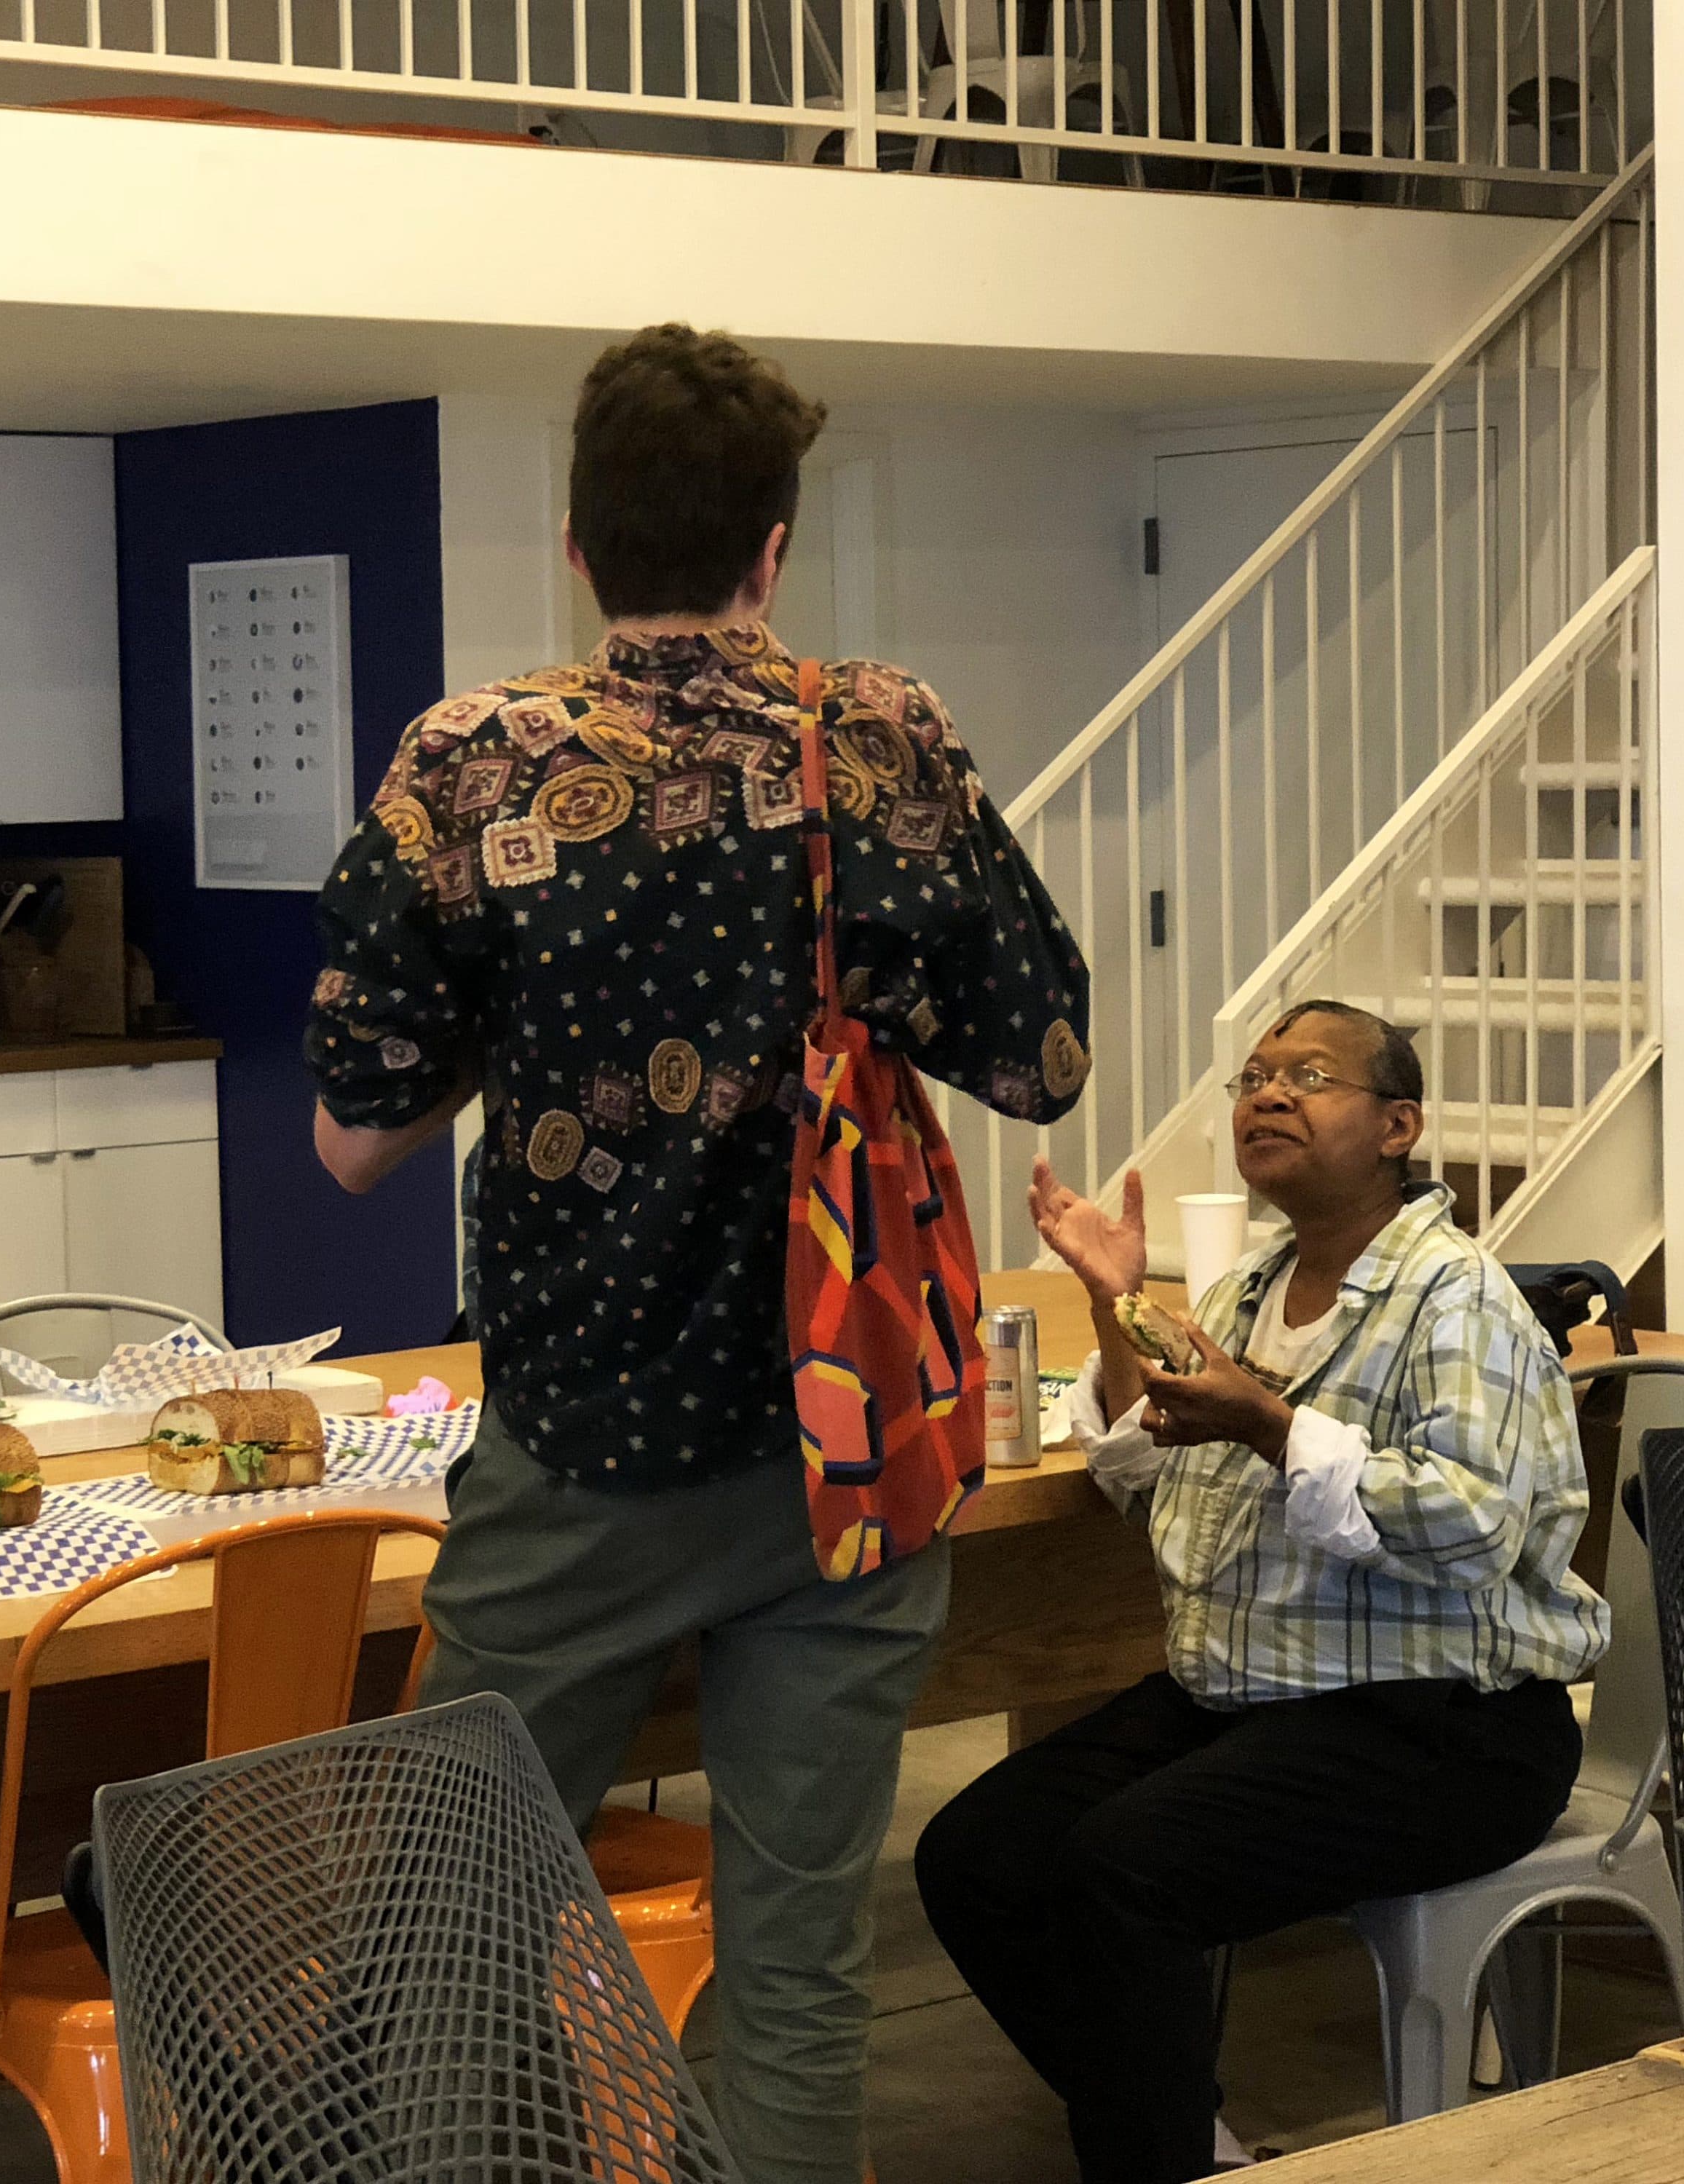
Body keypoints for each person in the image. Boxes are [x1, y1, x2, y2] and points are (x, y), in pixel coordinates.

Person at [303, 323, 1090, 2184]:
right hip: (843, 1445)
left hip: (575, 1450)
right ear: (775, 544)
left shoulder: (473, 763)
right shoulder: (882, 736)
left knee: (450, 1949)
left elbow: (350, 1139)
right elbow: (1042, 1060)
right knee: (801, 1961)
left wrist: (540, 1019)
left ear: (576, 541)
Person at [913, 999, 1608, 2184]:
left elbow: (1471, 1526)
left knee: (1125, 1866)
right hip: (1258, 1697)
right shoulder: (1246, 1289)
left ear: (1399, 1126)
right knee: (977, 1852)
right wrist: (1111, 1298)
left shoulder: (1459, 1298)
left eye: (1309, 1076)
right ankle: (1197, 2136)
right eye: (1252, 1076)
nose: (1266, 1095)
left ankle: (1160, 2158)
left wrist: (1278, 1428)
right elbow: (1154, 1469)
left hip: (1448, 1723)